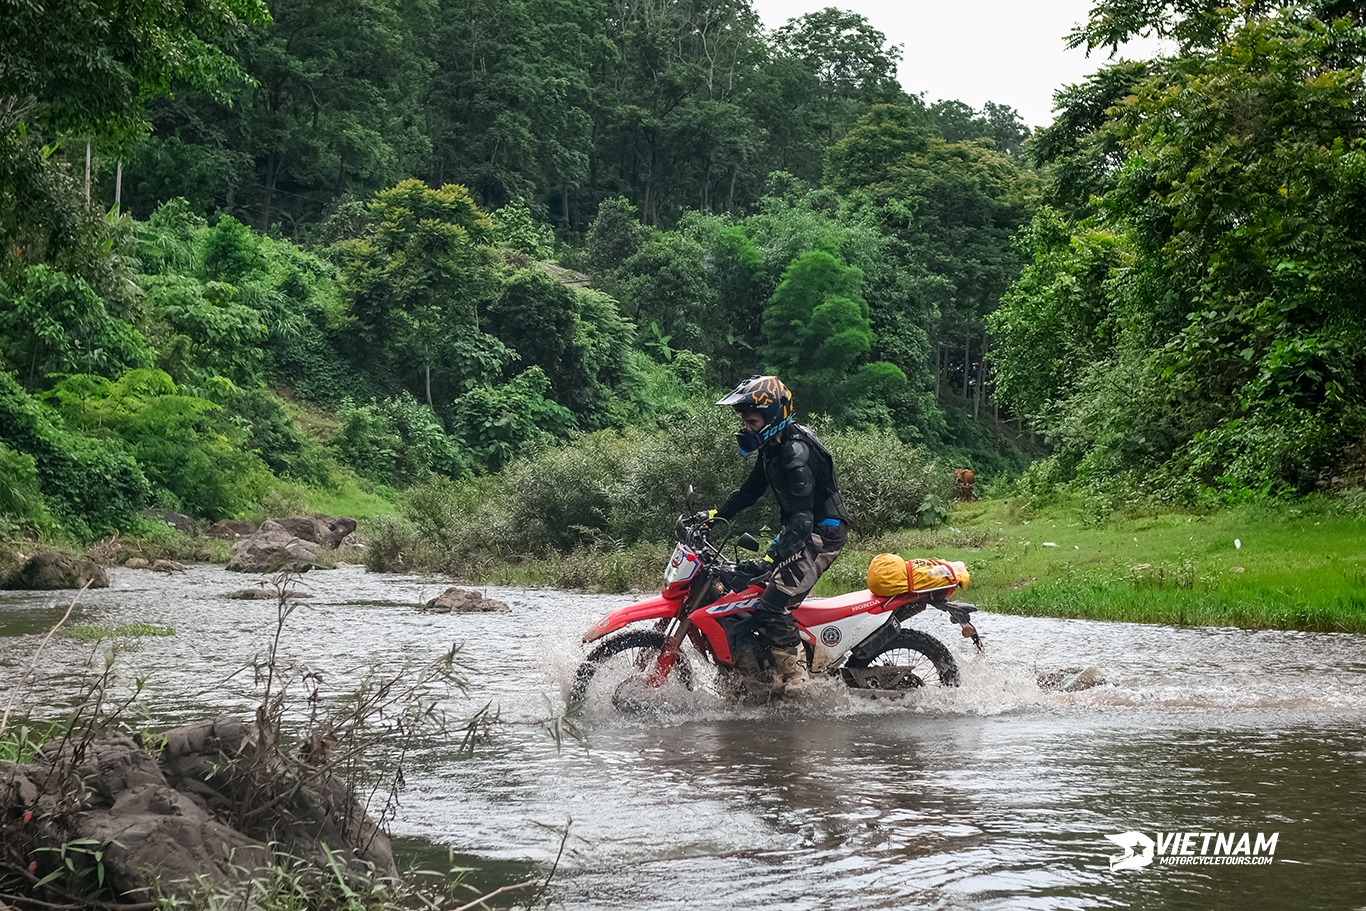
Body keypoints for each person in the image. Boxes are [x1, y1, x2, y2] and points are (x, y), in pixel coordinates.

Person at [703, 375, 849, 694]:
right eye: (744, 421)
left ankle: (798, 680)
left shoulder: (796, 453)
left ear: (773, 416)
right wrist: (714, 517)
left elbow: (803, 518)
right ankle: (759, 678)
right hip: (800, 529)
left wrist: (776, 554)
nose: (745, 427)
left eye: (752, 420)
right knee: (746, 590)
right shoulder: (772, 448)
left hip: (824, 533)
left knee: (773, 605)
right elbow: (749, 492)